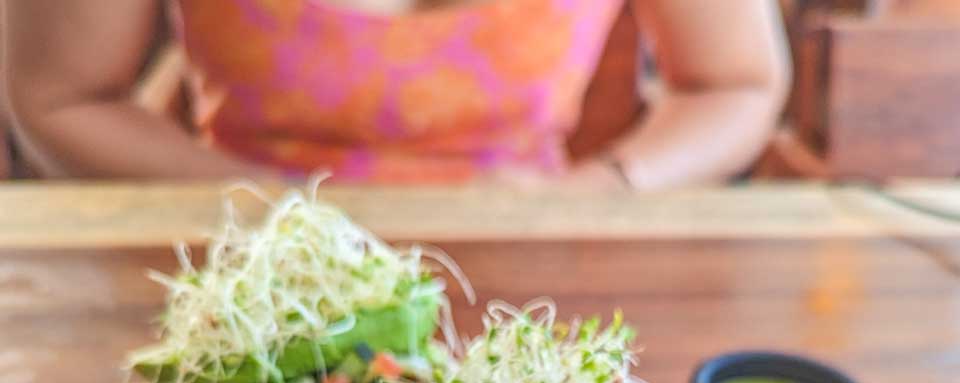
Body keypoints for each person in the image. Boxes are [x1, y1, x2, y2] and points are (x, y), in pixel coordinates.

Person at [7, 1, 790, 188]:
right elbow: (60, 97)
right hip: (237, 254)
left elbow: (736, 83)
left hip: (525, 270)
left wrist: (612, 187)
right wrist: (259, 209)